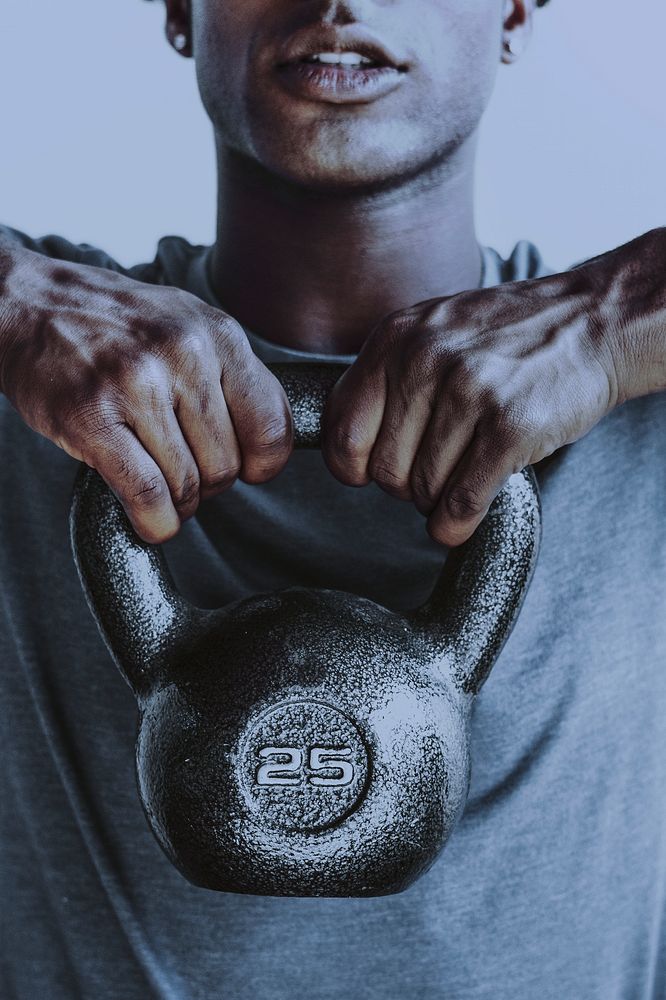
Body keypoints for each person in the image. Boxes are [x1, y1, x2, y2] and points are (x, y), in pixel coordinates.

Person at [0, 0, 664, 996]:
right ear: (180, 8)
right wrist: (12, 298)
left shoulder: (636, 387)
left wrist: (608, 319)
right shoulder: (36, 375)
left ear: (518, 8)